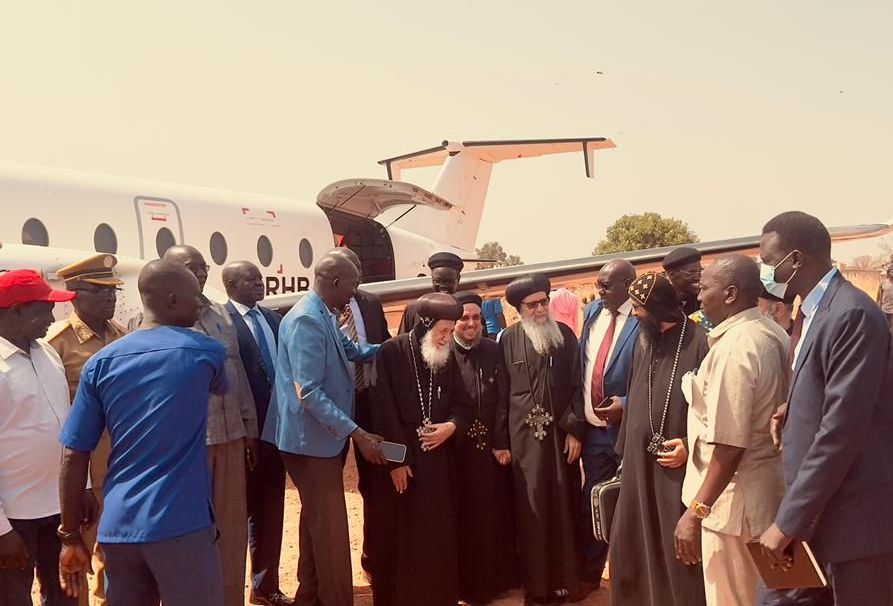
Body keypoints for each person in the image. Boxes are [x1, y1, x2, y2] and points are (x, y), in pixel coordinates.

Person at [57, 260, 227, 605]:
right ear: (173, 299)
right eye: (195, 295)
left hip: (118, 528)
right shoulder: (206, 352)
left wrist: (70, 535)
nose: (200, 303)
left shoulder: (100, 363)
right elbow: (221, 386)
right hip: (181, 524)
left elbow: (74, 455)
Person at [757, 211, 893, 605]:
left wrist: (788, 521)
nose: (764, 272)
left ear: (796, 260)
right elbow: (830, 388)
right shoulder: (812, 312)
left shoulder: (851, 314)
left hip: (853, 525)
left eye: (768, 261)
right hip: (816, 513)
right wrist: (793, 407)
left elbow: (841, 430)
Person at [262, 252, 386, 606]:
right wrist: (358, 433)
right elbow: (309, 392)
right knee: (331, 531)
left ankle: (310, 596)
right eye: (352, 286)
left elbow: (354, 350)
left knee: (316, 521)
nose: (354, 293)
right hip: (308, 443)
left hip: (318, 440)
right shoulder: (307, 320)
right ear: (334, 282)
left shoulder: (324, 312)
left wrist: (396, 346)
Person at [673, 255, 789, 606]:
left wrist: (696, 511)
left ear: (730, 294)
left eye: (705, 287)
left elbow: (729, 445)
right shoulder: (772, 332)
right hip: (765, 497)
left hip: (733, 511)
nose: (698, 296)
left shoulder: (735, 349)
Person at [163, 245, 258, 606]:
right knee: (188, 533)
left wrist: (249, 428)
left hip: (231, 437)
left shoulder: (220, 313)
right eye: (193, 267)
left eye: (204, 267)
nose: (201, 274)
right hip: (189, 445)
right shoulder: (155, 319)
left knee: (231, 531)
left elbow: (237, 373)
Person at [609, 271, 708, 606]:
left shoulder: (699, 341)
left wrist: (688, 445)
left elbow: (711, 413)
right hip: (638, 463)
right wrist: (626, 452)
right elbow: (636, 393)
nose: (635, 314)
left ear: (657, 306)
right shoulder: (644, 341)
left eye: (639, 307)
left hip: (676, 467)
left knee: (675, 547)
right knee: (630, 541)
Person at [371, 292, 471, 605]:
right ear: (425, 325)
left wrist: (450, 427)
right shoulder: (391, 352)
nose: (447, 337)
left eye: (450, 331)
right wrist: (397, 462)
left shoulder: (446, 354)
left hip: (439, 462)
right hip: (404, 463)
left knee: (437, 534)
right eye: (443, 330)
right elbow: (381, 411)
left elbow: (463, 403)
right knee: (402, 534)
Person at [497, 273, 588, 605]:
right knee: (531, 507)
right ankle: (537, 587)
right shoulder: (507, 339)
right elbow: (502, 394)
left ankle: (566, 583)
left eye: (543, 302)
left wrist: (575, 430)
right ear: (519, 308)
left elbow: (579, 385)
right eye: (532, 305)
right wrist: (501, 441)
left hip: (560, 436)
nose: (539, 310)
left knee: (564, 504)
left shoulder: (564, 335)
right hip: (523, 440)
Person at [46, 253, 128, 606]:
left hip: (120, 460)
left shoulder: (122, 336)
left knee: (118, 551)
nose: (111, 297)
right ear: (75, 294)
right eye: (100, 291)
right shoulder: (56, 343)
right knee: (77, 550)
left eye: (113, 291)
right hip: (82, 464)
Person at [0, 270, 80, 606]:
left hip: (59, 509)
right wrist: (2, 531)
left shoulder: (48, 353)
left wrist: (83, 487)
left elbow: (67, 426)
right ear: (16, 310)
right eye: (44, 309)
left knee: (65, 596)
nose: (52, 317)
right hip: (14, 517)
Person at [221, 261, 290, 606]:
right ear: (231, 285)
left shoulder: (274, 319)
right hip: (240, 435)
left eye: (260, 278)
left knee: (270, 509)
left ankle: (264, 586)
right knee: (236, 514)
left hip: (277, 432)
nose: (260, 284)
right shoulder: (221, 322)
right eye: (251, 280)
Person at [328, 247, 391, 585]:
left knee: (375, 483)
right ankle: (325, 574)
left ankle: (374, 559)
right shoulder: (319, 310)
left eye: (357, 269)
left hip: (369, 403)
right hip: (333, 409)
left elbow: (384, 345)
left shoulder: (371, 302)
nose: (355, 277)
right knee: (327, 489)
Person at [451, 291, 518, 604]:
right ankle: (465, 586)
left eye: (476, 318)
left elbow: (503, 397)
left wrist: (501, 441)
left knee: (491, 516)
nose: (471, 323)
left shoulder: (493, 349)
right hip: (457, 451)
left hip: (490, 449)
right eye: (464, 318)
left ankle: (493, 583)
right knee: (462, 516)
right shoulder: (444, 352)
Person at [578, 259, 638, 590]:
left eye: (605, 285)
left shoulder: (643, 319)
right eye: (598, 284)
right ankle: (590, 576)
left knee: (629, 507)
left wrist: (626, 405)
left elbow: (651, 374)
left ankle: (631, 581)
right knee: (593, 504)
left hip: (628, 432)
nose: (599, 290)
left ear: (628, 285)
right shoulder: (592, 313)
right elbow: (585, 365)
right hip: (593, 434)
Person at [398, 252, 464, 333]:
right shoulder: (415, 310)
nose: (443, 286)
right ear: (432, 279)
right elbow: (402, 340)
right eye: (438, 281)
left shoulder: (468, 311)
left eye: (448, 281)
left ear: (458, 279)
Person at [877, 266, 893, 331]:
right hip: (884, 309)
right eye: (892, 272)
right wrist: (878, 308)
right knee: (884, 327)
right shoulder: (882, 283)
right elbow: (879, 297)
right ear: (888, 273)